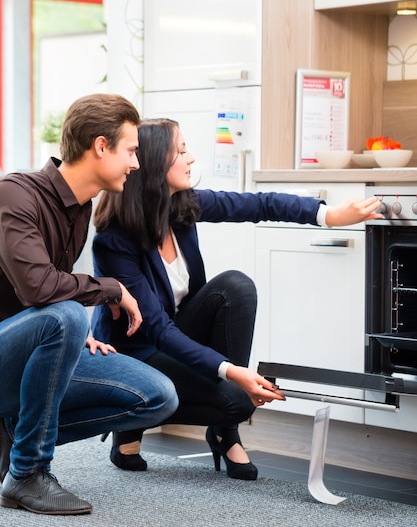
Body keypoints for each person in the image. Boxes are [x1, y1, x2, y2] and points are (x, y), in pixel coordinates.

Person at [91, 117, 383, 481]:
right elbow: (159, 330)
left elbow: (260, 204)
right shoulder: (114, 240)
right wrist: (232, 373)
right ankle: (135, 417)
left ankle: (224, 431)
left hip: (174, 333)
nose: (191, 158)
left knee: (235, 286)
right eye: (181, 151)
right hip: (138, 350)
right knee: (234, 400)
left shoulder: (182, 206)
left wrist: (328, 215)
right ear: (150, 166)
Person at [0, 95, 179, 516]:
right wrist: (111, 289)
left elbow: (51, 297)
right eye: (131, 151)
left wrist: (74, 338)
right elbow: (40, 290)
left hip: (32, 351)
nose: (136, 163)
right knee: (64, 317)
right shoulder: (15, 193)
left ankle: (16, 435)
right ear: (100, 146)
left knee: (159, 396)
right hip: (6, 352)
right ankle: (27, 472)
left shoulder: (81, 208)